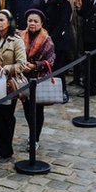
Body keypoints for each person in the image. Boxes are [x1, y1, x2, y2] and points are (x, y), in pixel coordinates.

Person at [0, 11, 27, 161]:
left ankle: (7, 149)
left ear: (9, 22)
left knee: (7, 115)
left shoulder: (16, 41)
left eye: (1, 20)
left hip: (9, 83)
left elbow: (22, 64)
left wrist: (6, 69)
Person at [20, 9, 55, 144]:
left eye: (35, 21)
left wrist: (35, 65)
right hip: (24, 78)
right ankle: (31, 132)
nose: (32, 23)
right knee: (27, 109)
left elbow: (50, 60)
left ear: (41, 23)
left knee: (37, 110)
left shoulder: (47, 40)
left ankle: (35, 138)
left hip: (39, 79)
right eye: (30, 21)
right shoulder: (21, 36)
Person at [43, 0, 73, 73]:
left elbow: (63, 22)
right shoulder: (48, 3)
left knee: (59, 64)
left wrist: (53, 35)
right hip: (48, 35)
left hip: (60, 37)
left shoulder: (65, 4)